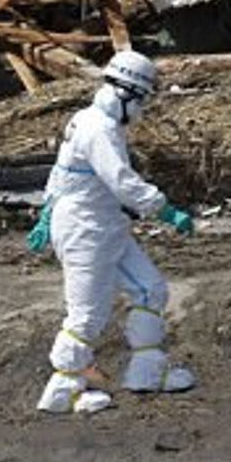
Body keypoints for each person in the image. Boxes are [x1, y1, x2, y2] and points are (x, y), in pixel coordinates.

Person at [33, 50, 196, 415]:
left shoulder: (91, 121)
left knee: (149, 289)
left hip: (106, 225)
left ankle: (147, 372)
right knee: (86, 315)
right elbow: (122, 182)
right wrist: (165, 209)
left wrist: (47, 211)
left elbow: (64, 173)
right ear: (124, 94)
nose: (141, 111)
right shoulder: (99, 130)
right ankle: (64, 390)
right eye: (140, 101)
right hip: (85, 230)